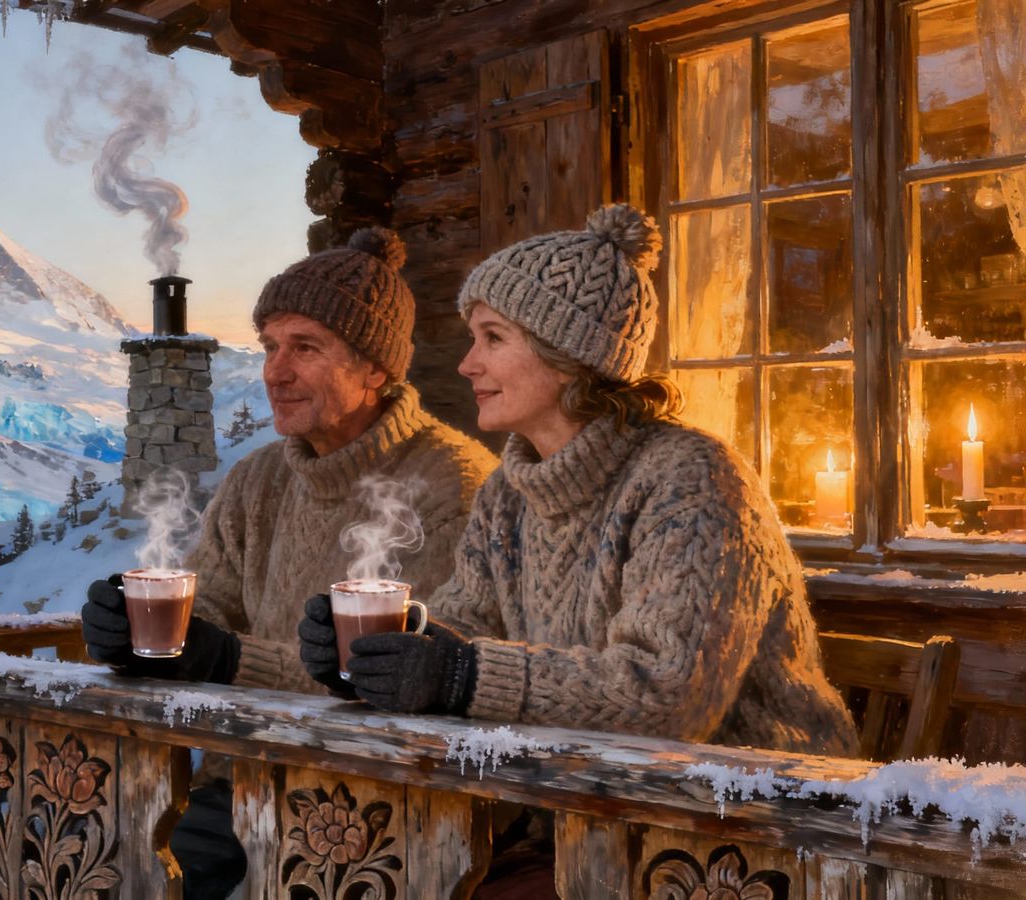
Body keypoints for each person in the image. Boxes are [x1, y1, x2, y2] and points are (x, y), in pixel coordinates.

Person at [299, 203, 856, 897]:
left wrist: (462, 678)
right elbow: (467, 627)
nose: (468, 363)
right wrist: (382, 653)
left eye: (493, 337)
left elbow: (669, 696)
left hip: (744, 827)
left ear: (570, 358)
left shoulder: (692, 478)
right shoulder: (511, 489)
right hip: (584, 812)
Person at [81, 226, 497, 899]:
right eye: (271, 346)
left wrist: (225, 660)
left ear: (375, 368)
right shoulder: (258, 480)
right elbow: (206, 613)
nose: (276, 370)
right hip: (237, 787)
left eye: (306, 348)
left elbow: (411, 682)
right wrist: (134, 637)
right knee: (109, 867)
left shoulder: (457, 484)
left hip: (381, 806)